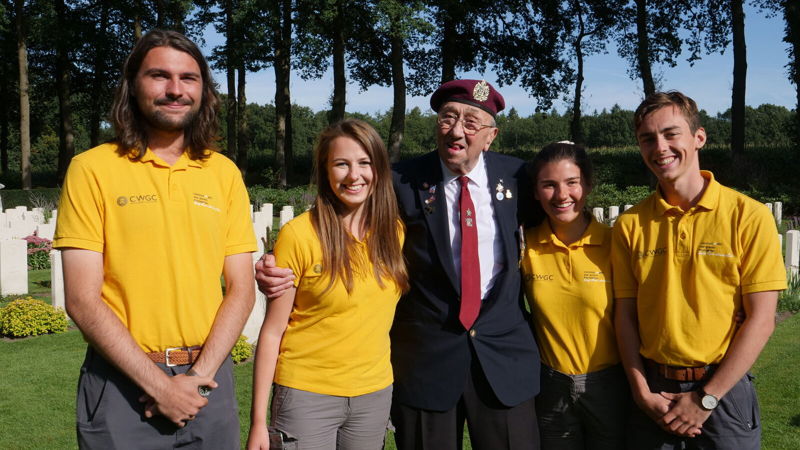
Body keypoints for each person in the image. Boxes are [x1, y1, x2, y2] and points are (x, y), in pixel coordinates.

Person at [256, 79, 542, 450]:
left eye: (471, 122)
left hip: (503, 362)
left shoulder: (520, 178)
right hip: (426, 361)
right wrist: (274, 265)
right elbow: (343, 214)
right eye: (447, 118)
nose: (456, 130)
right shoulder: (400, 181)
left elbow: (561, 220)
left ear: (491, 136)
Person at [53, 29, 257, 449]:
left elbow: (241, 289)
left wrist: (197, 380)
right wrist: (161, 387)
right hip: (122, 386)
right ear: (132, 85)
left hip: (209, 381)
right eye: (159, 76)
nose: (175, 89)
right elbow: (82, 299)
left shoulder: (223, 173)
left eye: (188, 78)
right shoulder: (92, 169)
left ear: (203, 90)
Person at [612, 90, 787, 449]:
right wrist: (641, 391)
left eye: (671, 133)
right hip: (654, 391)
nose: (659, 147)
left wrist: (706, 398)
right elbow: (625, 316)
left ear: (699, 137)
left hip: (724, 390)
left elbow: (762, 318)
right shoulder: (630, 225)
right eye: (647, 138)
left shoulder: (748, 216)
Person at [246, 119, 408, 450]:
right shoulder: (299, 235)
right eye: (341, 164)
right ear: (325, 171)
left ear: (378, 169)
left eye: (364, 163)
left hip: (374, 395)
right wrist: (258, 423)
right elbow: (273, 331)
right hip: (307, 394)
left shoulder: (393, 232)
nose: (354, 175)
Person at [521, 142, 629, 449]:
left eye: (572, 183)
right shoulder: (524, 246)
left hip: (610, 385)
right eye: (549, 185)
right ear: (535, 191)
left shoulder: (615, 244)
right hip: (550, 386)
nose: (561, 195)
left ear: (589, 185)